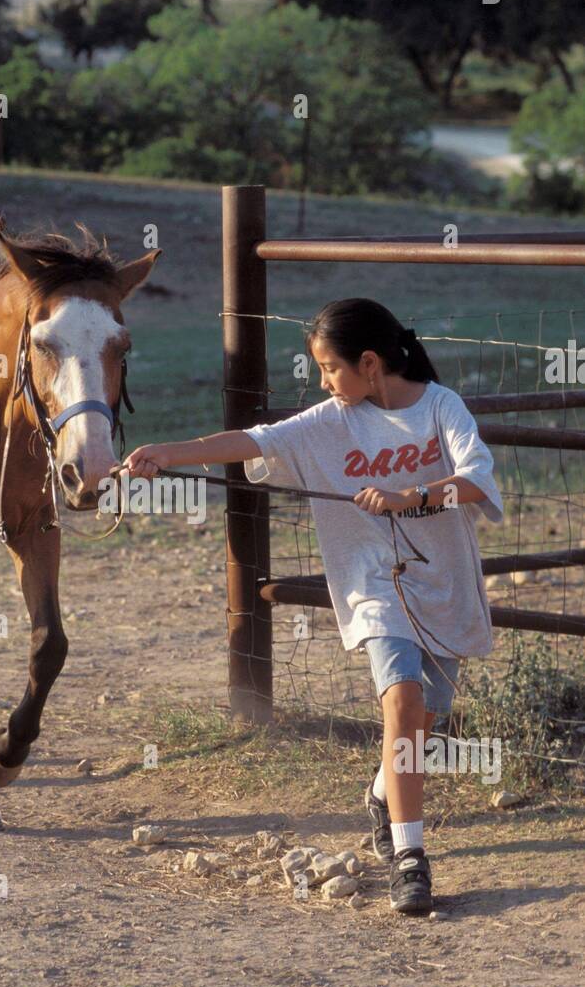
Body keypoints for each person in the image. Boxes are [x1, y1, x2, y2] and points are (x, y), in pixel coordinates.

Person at [116, 298, 503, 915]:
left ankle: (382, 793)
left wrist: (412, 496)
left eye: (329, 367)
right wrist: (166, 452)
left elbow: (477, 479)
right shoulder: (330, 420)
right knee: (401, 701)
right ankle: (411, 859)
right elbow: (250, 440)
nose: (322, 382)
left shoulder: (440, 408)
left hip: (444, 586)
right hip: (372, 586)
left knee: (424, 719)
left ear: (370, 362)